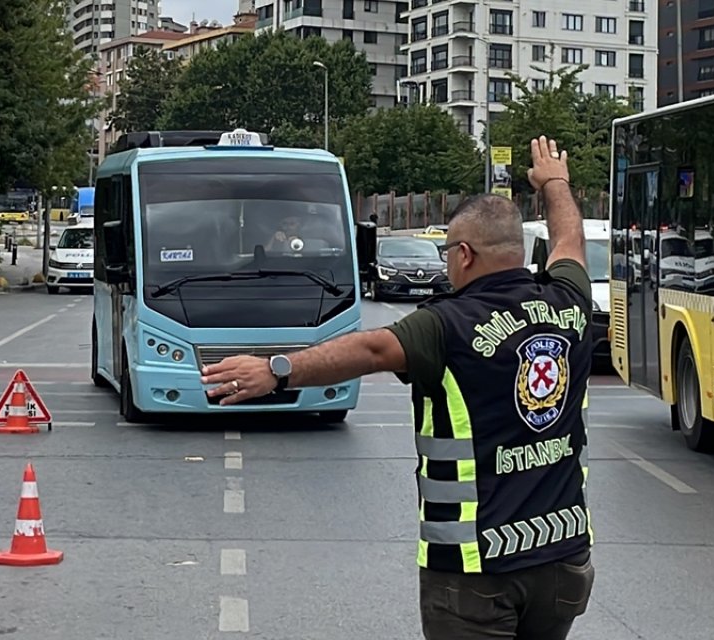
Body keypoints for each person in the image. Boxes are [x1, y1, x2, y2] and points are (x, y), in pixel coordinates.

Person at [200, 137, 596, 640]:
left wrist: (277, 370)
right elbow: (570, 243)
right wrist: (554, 182)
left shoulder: (446, 325)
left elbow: (369, 350)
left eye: (448, 251)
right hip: (563, 560)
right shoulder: (568, 303)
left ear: (465, 255)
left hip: (475, 571)